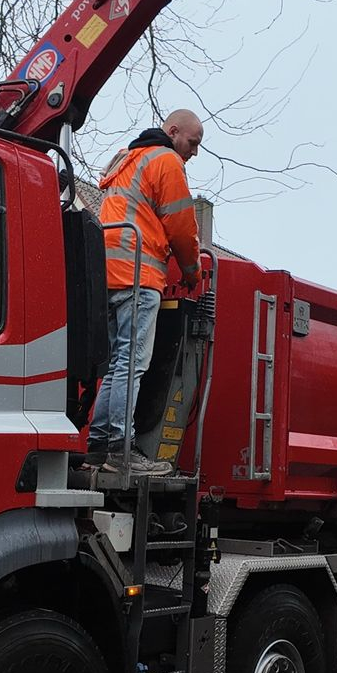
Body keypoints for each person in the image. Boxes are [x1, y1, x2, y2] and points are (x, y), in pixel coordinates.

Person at [87, 109, 204, 475]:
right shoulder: (165, 159)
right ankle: (122, 450)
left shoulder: (127, 157)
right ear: (173, 132)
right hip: (138, 275)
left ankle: (100, 446)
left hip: (106, 274)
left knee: (117, 365)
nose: (194, 152)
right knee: (132, 364)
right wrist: (191, 269)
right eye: (192, 142)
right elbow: (182, 225)